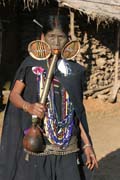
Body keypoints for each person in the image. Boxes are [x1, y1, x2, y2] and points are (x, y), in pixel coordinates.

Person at [0, 7, 98, 180]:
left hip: (68, 150)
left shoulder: (73, 71)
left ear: (68, 39)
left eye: (60, 37)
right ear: (42, 38)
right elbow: (14, 95)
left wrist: (87, 145)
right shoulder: (30, 66)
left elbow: (77, 113)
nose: (56, 42)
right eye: (51, 36)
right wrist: (28, 106)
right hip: (39, 148)